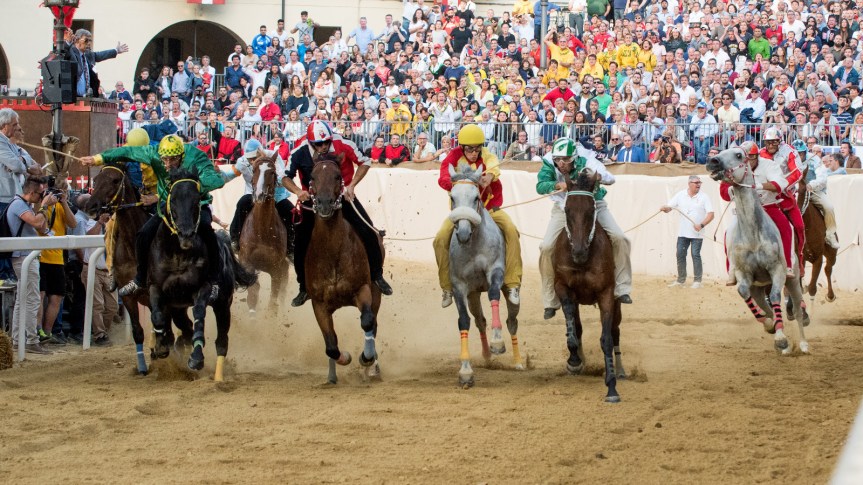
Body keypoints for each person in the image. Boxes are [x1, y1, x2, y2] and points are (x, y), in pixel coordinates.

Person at [80, 134, 225, 301]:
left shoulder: (196, 155)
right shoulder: (152, 153)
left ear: (182, 155)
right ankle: (139, 278)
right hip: (167, 205)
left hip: (194, 205)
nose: (168, 164)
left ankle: (214, 280)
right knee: (142, 234)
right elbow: (127, 152)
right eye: (165, 160)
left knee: (207, 230)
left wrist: (190, 187)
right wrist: (98, 158)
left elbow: (216, 179)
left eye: (172, 160)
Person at [283, 120, 393, 307]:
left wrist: (352, 185)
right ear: (311, 143)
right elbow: (285, 176)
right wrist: (297, 192)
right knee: (300, 243)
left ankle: (376, 275)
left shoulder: (344, 143)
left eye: (326, 142)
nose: (324, 147)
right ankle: (303, 287)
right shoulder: (299, 151)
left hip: (343, 198)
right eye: (319, 144)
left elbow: (365, 161)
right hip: (312, 203)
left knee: (369, 233)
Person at [536, 138, 633, 319]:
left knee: (620, 238)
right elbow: (540, 186)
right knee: (546, 247)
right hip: (563, 208)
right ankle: (550, 300)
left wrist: (595, 176)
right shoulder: (549, 161)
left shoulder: (587, 159)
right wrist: (558, 184)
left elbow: (610, 178)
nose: (561, 163)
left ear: (574, 156)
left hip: (593, 205)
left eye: (565, 159)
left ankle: (622, 287)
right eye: (558, 159)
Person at [433, 124, 522, 307]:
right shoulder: (452, 157)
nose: (474, 153)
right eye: (469, 149)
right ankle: (447, 287)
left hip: (490, 209)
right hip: (462, 213)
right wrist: (461, 183)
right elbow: (442, 177)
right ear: (462, 147)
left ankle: (512, 283)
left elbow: (493, 167)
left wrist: (489, 176)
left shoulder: (487, 154)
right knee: (440, 239)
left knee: (512, 231)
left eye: (477, 148)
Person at [722, 142, 796, 285]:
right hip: (745, 212)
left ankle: (787, 265)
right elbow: (724, 192)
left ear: (757, 156)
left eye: (752, 157)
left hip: (768, 206)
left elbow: (780, 184)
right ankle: (732, 269)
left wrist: (758, 186)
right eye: (746, 158)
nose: (749, 161)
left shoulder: (769, 165)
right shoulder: (733, 167)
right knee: (729, 233)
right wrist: (734, 189)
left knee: (787, 228)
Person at [8, 177, 52, 354]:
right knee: (32, 299)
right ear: (32, 192)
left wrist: (44, 207)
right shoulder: (19, 205)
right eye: (41, 194)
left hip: (25, 257)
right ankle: (30, 340)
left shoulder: (26, 206)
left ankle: (19, 339)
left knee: (22, 300)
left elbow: (43, 228)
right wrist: (44, 206)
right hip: (23, 257)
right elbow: (36, 222)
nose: (42, 196)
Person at [227, 139, 294, 252]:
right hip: (252, 194)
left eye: (255, 157)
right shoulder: (242, 162)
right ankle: (235, 239)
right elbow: (230, 175)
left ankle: (291, 246)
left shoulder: (273, 156)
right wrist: (219, 174)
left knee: (290, 212)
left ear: (261, 153)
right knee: (241, 204)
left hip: (276, 195)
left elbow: (281, 176)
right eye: (250, 158)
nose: (252, 161)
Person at [0, 108, 40, 282]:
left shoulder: (11, 145)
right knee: (5, 235)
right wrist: (22, 163)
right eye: (14, 124)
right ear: (4, 125)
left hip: (12, 196)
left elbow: (31, 164)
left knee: (12, 234)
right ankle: (4, 272)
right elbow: (18, 165)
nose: (17, 128)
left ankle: (7, 272)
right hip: (3, 196)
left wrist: (20, 163)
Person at [759, 127, 805, 273]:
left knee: (798, 226)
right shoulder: (760, 154)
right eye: (768, 142)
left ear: (780, 141)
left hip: (785, 194)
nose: (771, 145)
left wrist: (782, 185)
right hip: (764, 194)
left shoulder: (790, 151)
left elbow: (797, 172)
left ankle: (799, 258)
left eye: (774, 142)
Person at [37, 183, 77, 344]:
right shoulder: (38, 205)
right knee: (39, 296)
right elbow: (39, 225)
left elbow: (73, 224)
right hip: (39, 256)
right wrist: (45, 204)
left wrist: (64, 202)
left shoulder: (60, 207)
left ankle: (48, 332)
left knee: (57, 297)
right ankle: (37, 330)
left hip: (57, 258)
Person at [661, 176, 715, 289]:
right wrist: (665, 208)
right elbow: (669, 207)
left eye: (700, 182)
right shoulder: (680, 195)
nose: (699, 184)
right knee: (680, 255)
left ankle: (697, 281)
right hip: (683, 233)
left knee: (695, 255)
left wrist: (701, 225)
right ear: (689, 183)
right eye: (696, 182)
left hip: (697, 234)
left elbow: (711, 215)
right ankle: (681, 280)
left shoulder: (704, 197)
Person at [794, 139, 839, 249]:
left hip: (813, 191)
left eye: (801, 153)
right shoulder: (788, 160)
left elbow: (822, 177)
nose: (799, 155)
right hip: (794, 191)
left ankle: (830, 234)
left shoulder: (814, 159)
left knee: (829, 207)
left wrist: (811, 185)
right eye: (796, 153)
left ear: (805, 151)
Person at [81, 210, 117, 346]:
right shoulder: (89, 223)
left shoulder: (114, 225)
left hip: (108, 271)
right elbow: (88, 237)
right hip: (92, 269)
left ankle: (103, 332)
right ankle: (99, 335)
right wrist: (100, 223)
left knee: (112, 306)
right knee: (98, 304)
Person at [64, 28, 129, 97]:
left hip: (87, 98)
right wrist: (67, 43)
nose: (88, 43)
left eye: (90, 40)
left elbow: (101, 54)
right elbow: (64, 54)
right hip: (73, 98)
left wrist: (116, 51)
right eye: (86, 40)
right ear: (77, 40)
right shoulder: (71, 52)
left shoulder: (88, 55)